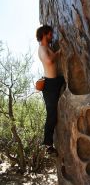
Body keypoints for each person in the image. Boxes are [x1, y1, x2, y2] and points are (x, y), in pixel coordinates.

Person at [36, 25, 65, 155]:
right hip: (49, 86)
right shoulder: (42, 49)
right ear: (45, 34)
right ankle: (48, 145)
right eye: (50, 34)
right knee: (51, 115)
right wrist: (59, 52)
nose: (52, 36)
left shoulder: (47, 47)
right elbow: (48, 61)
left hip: (56, 81)